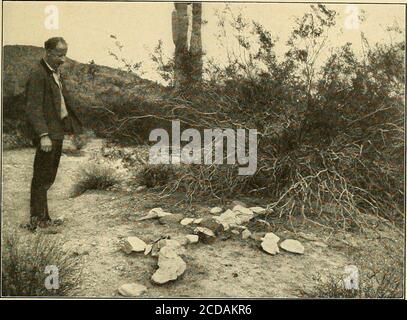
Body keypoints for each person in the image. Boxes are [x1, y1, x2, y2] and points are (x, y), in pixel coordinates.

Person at [23, 37, 83, 230]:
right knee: (42, 177)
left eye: (65, 55)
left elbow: (61, 105)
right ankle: (39, 220)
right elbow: (33, 108)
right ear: (47, 52)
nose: (63, 59)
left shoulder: (54, 73)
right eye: (59, 55)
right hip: (48, 135)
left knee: (47, 176)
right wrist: (43, 135)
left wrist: (71, 128)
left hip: (56, 132)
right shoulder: (38, 74)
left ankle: (43, 218)